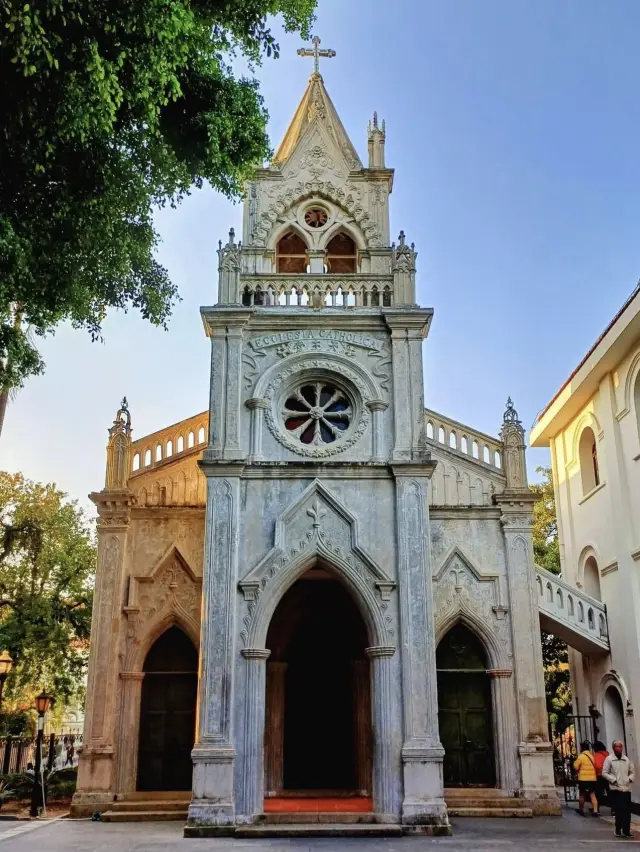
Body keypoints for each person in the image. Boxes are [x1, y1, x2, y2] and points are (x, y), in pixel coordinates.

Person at [603, 740, 635, 838]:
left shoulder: (626, 759)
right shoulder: (609, 759)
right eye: (616, 747)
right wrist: (613, 780)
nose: (618, 748)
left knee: (627, 811)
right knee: (619, 810)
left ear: (622, 748)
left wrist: (629, 779)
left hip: (626, 789)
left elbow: (632, 771)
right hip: (615, 789)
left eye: (620, 747)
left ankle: (626, 830)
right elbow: (604, 772)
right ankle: (618, 829)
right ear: (613, 748)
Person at [574, 740, 599, 816]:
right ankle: (595, 811)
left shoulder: (581, 756)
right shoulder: (592, 756)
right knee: (592, 795)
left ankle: (581, 809)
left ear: (582, 748)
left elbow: (575, 766)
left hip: (583, 779)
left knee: (582, 794)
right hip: (592, 779)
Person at [593, 741, 610, 810]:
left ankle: (597, 809)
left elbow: (597, 766)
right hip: (608, 776)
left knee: (598, 793)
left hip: (600, 775)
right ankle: (614, 810)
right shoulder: (608, 754)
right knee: (610, 792)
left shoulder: (596, 755)